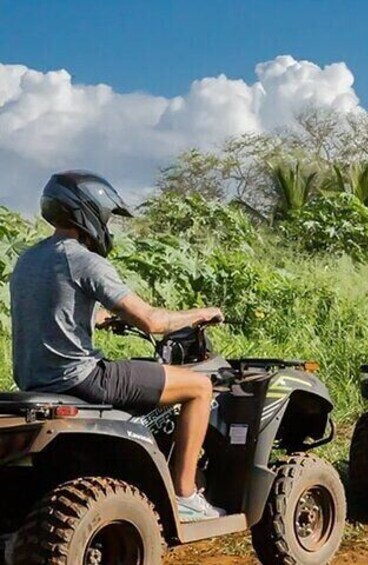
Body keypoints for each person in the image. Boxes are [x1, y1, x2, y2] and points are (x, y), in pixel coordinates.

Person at [10, 171, 225, 522]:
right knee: (200, 387)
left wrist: (99, 319)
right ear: (88, 212)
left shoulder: (28, 259)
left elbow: (52, 311)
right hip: (82, 379)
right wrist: (201, 313)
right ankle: (186, 494)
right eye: (107, 216)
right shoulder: (85, 260)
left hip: (35, 379)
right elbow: (153, 321)